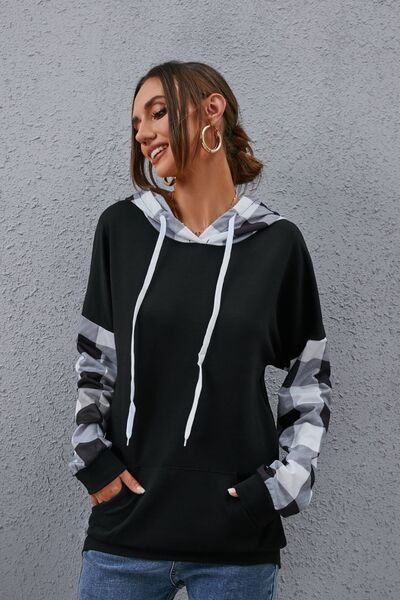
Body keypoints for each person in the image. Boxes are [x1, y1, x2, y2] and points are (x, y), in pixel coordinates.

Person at [69, 60, 333, 600]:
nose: (143, 133)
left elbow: (309, 380)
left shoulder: (278, 244)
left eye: (157, 113)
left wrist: (282, 487)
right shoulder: (122, 229)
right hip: (125, 537)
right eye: (136, 123)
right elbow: (96, 364)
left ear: (211, 110)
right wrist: (94, 461)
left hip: (236, 545)